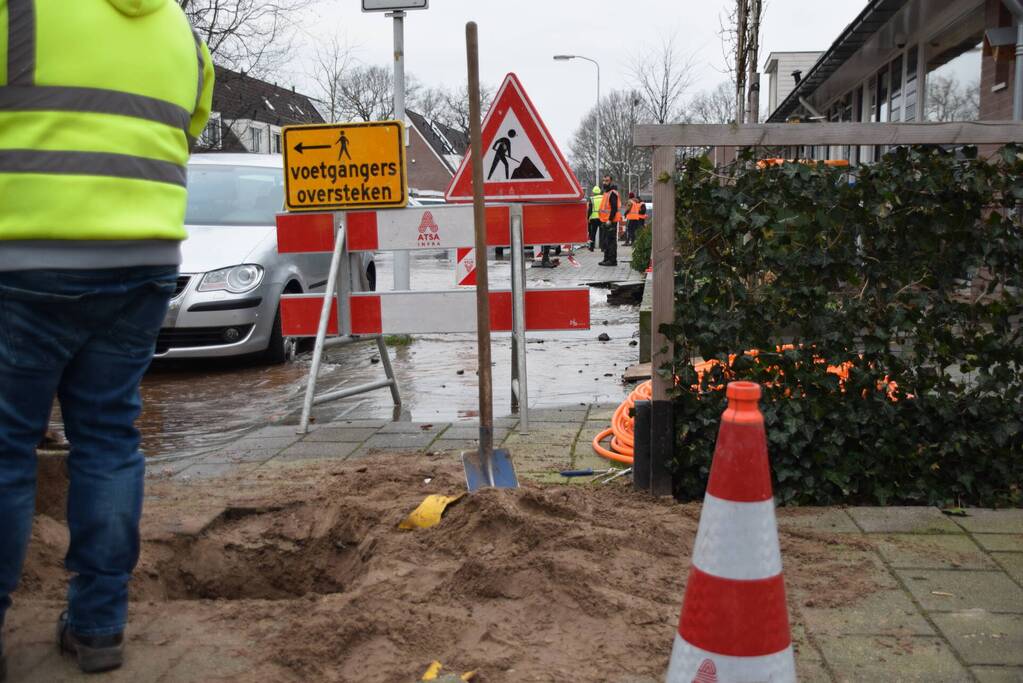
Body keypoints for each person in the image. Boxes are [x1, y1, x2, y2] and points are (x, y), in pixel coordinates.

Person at [0, 0, 214, 676]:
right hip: (142, 261)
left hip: (24, 258)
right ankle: (98, 626)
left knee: (6, 447)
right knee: (110, 439)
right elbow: (192, 126)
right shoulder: (180, 29)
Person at [597, 175, 621, 266]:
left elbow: (614, 208)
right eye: (603, 180)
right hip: (605, 221)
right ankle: (606, 259)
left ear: (611, 181)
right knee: (606, 241)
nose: (604, 182)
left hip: (610, 221)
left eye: (606, 181)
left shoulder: (612, 193)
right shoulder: (606, 193)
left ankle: (612, 260)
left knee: (611, 241)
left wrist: (610, 220)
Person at [586, 185, 602, 251]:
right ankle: (603, 248)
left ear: (593, 192)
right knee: (602, 233)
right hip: (601, 217)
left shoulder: (591, 199)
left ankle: (591, 248)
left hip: (593, 218)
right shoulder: (603, 197)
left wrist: (588, 217)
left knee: (593, 233)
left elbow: (590, 209)